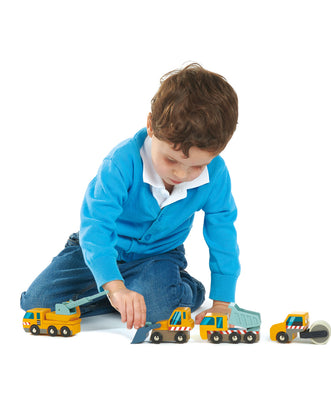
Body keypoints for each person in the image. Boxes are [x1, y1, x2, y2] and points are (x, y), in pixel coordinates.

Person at [20, 63, 240, 330]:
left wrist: (222, 303)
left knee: (160, 311)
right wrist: (115, 286)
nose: (182, 173)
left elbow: (222, 235)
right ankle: (116, 291)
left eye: (197, 166)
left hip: (158, 256)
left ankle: (173, 289)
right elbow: (96, 226)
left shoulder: (216, 175)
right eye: (171, 159)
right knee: (37, 302)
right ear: (150, 126)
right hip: (100, 248)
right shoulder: (121, 163)